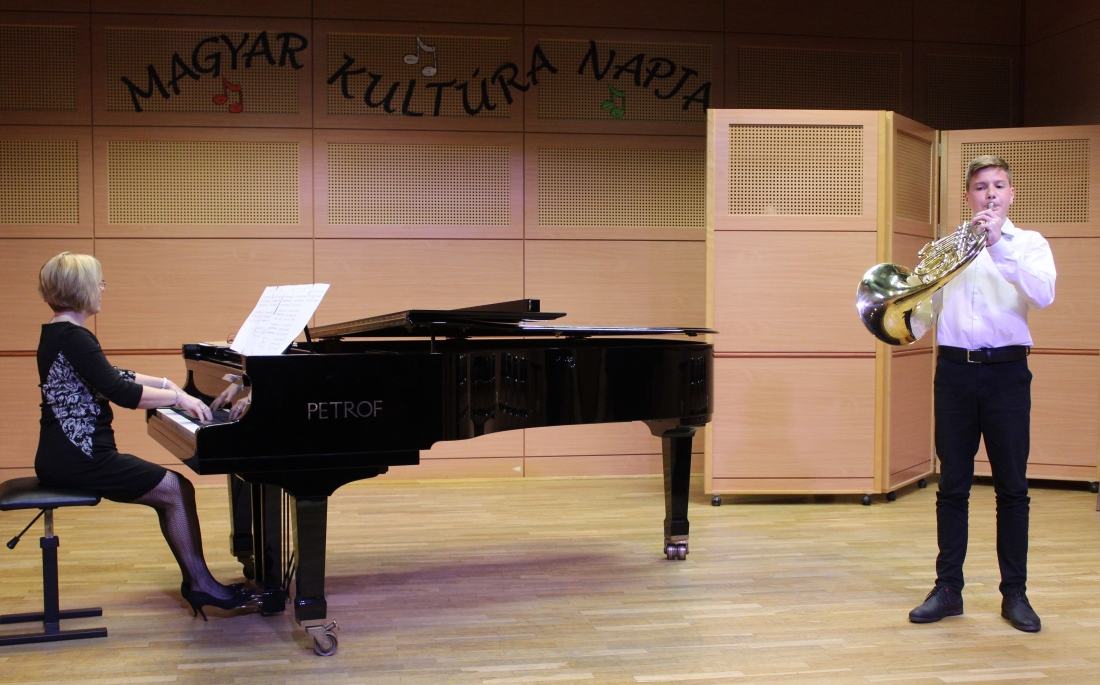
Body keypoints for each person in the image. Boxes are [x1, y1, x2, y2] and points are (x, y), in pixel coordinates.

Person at [34, 252, 254, 620]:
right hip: (81, 459)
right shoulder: (74, 337)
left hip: (66, 455)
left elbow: (111, 374)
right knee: (175, 489)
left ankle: (199, 582)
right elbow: (121, 392)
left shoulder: (59, 333)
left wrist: (168, 384)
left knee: (174, 490)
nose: (103, 288)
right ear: (81, 288)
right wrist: (179, 398)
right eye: (99, 281)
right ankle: (200, 585)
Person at [908, 156, 1056, 632]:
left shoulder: (1029, 244)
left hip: (1007, 374)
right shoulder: (950, 248)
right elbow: (925, 311)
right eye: (980, 186)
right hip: (954, 373)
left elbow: (1043, 296)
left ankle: (1015, 594)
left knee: (1012, 488)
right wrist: (899, 312)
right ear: (968, 196)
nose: (989, 193)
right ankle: (948, 589)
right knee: (952, 485)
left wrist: (997, 248)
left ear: (1011, 194)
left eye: (998, 185)